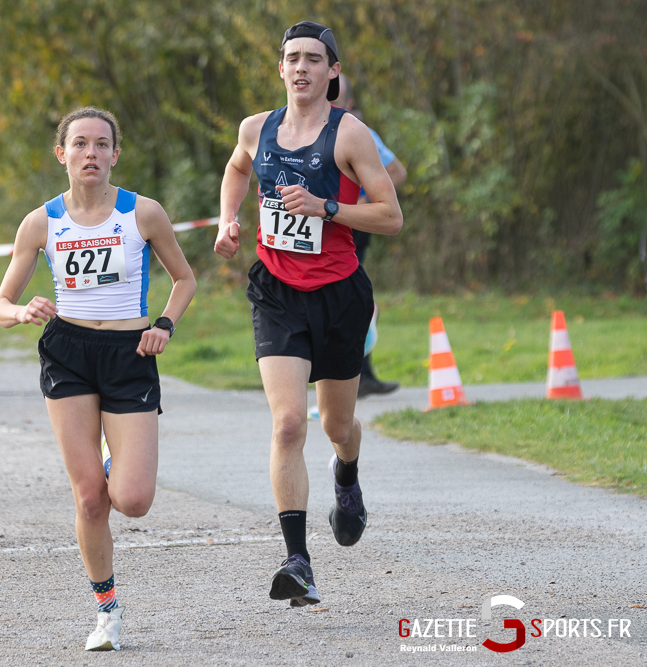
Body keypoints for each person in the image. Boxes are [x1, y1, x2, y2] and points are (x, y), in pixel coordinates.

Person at [0, 107, 195, 651]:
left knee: (131, 499)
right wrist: (21, 311)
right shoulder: (41, 222)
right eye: (80, 144)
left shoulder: (142, 213)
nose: (91, 154)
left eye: (102, 144)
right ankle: (106, 609)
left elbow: (184, 278)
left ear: (114, 155)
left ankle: (114, 457)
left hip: (130, 352)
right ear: (62, 154)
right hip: (69, 351)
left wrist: (165, 326)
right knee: (88, 499)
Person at [213, 22, 402, 607]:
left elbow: (390, 216)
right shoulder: (256, 128)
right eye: (292, 58)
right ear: (280, 69)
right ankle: (298, 560)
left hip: (339, 294)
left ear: (332, 72)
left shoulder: (351, 136)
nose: (301, 68)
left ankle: (346, 475)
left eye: (313, 60)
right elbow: (238, 168)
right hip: (276, 291)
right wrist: (228, 219)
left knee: (335, 425)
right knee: (288, 422)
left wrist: (327, 206)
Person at [334, 74, 406, 397]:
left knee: (351, 298)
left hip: (351, 227)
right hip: (322, 226)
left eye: (334, 97)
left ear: (349, 104)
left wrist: (361, 202)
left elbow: (397, 171)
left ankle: (360, 374)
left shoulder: (358, 134)